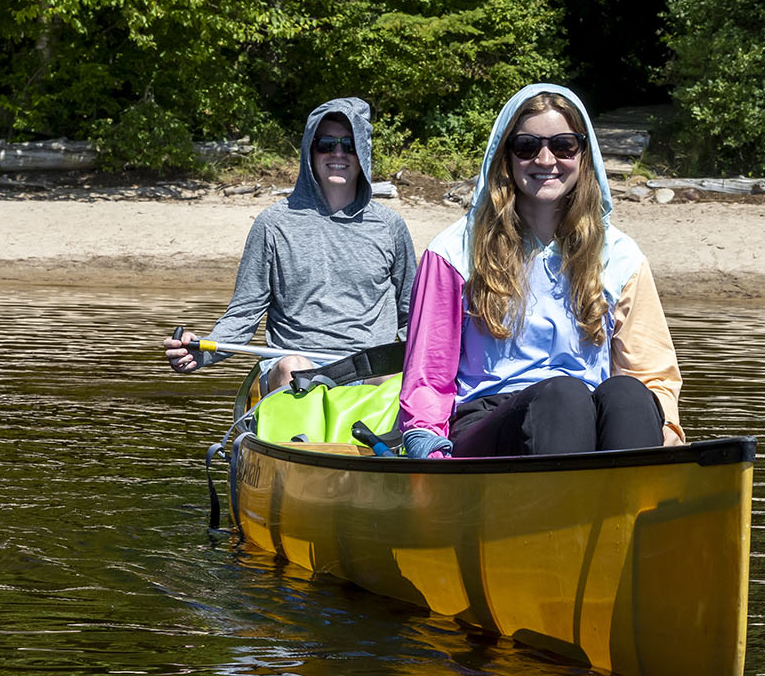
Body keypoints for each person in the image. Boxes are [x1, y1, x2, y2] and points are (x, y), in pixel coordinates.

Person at [391, 84, 683, 458]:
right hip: (488, 421)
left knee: (628, 393)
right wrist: (424, 441)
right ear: (506, 156)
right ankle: (564, 494)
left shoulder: (620, 256)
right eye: (527, 146)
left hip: (587, 420)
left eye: (563, 146)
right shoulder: (453, 252)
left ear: (583, 155)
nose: (546, 160)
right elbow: (428, 375)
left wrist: (667, 425)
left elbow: (652, 372)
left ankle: (632, 493)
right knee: (563, 393)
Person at [165, 98, 415, 390]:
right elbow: (244, 313)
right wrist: (201, 353)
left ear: (363, 153)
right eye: (327, 144)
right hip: (294, 370)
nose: (338, 153)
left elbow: (413, 314)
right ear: (310, 150)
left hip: (370, 369)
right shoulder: (273, 224)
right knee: (293, 366)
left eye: (349, 145)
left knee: (394, 378)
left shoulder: (390, 226)